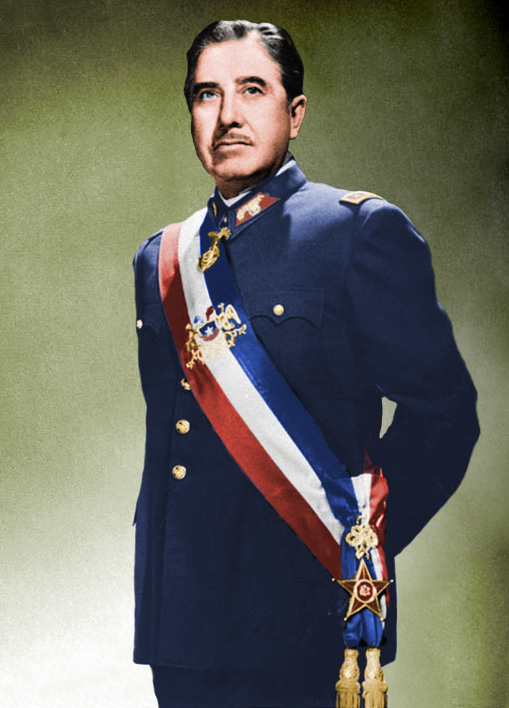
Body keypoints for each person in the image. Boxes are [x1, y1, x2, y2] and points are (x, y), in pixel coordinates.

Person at [132, 20, 479, 708]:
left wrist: (358, 546)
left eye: (251, 89)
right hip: (184, 620)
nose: (227, 115)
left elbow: (445, 417)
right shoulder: (160, 259)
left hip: (302, 610)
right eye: (207, 94)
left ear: (294, 114)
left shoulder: (357, 231)